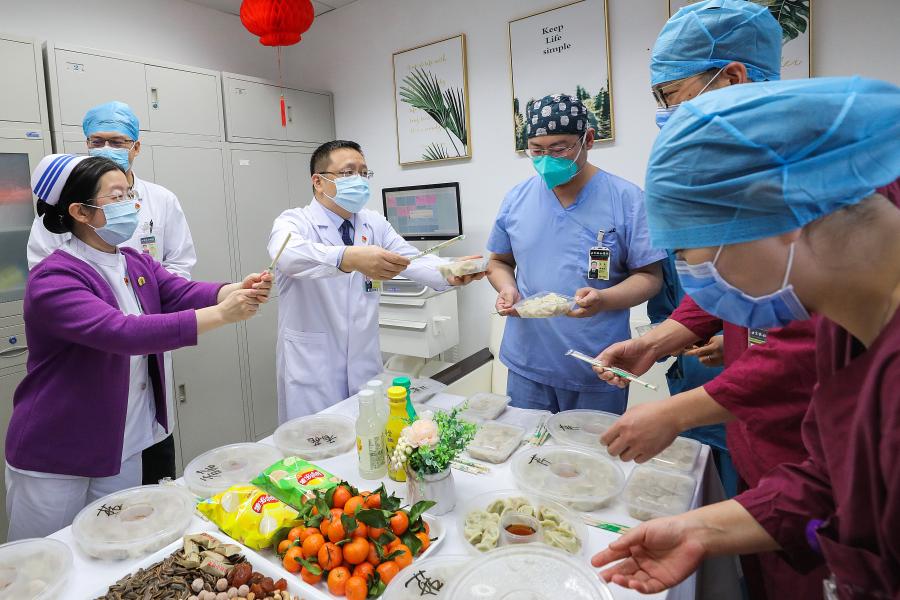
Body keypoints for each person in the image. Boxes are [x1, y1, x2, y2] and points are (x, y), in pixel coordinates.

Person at [592, 77, 900, 599]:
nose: (693, 274)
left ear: (777, 211)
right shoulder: (844, 324)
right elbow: (833, 483)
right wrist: (697, 530)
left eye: (691, 249)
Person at [5, 154, 271, 540]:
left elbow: (179, 291)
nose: (133, 204)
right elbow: (121, 333)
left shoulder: (132, 261)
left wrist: (233, 290)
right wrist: (222, 315)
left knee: (112, 546)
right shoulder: (54, 277)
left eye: (131, 193)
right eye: (117, 197)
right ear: (80, 211)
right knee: (43, 562)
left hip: (120, 440)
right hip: (58, 450)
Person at [26, 101, 197, 486]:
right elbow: (46, 269)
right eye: (97, 140)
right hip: (90, 354)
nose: (106, 147)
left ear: (136, 147)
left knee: (145, 475)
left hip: (149, 348)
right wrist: (114, 320)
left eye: (117, 141)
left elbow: (179, 267)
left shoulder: (161, 200)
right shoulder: (63, 208)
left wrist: (152, 314)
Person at [269, 140, 484, 422]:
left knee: (367, 443)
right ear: (318, 181)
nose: (358, 180)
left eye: (363, 172)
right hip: (313, 370)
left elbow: (414, 260)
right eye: (348, 173)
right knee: (316, 454)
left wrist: (452, 271)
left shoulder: (373, 223)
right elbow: (286, 256)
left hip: (363, 366)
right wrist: (350, 257)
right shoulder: (295, 222)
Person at [487, 93, 665, 414]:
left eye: (559, 148)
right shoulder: (517, 199)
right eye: (537, 150)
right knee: (527, 452)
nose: (547, 159)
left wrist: (604, 300)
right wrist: (507, 287)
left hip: (597, 363)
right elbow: (499, 261)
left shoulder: (626, 199)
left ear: (589, 140)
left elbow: (650, 277)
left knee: (589, 459)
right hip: (529, 363)